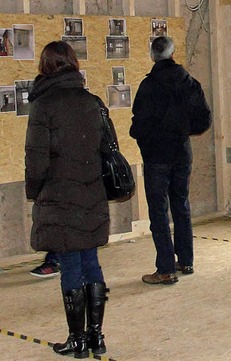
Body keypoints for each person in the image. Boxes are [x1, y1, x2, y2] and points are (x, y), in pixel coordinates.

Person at [25, 41, 110, 358]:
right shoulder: (91, 101)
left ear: (45, 67)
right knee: (92, 262)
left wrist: (35, 192)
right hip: (91, 192)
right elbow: (104, 150)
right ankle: (96, 338)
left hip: (60, 195)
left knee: (71, 265)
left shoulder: (44, 105)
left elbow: (36, 160)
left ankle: (77, 340)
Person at [130, 36, 212, 285]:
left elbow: (139, 123)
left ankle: (165, 268)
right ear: (173, 53)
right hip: (181, 152)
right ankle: (186, 261)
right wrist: (183, 130)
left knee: (158, 211)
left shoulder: (148, 86)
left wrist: (146, 138)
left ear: (152, 55)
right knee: (181, 206)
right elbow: (204, 119)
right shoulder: (189, 83)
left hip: (157, 155)